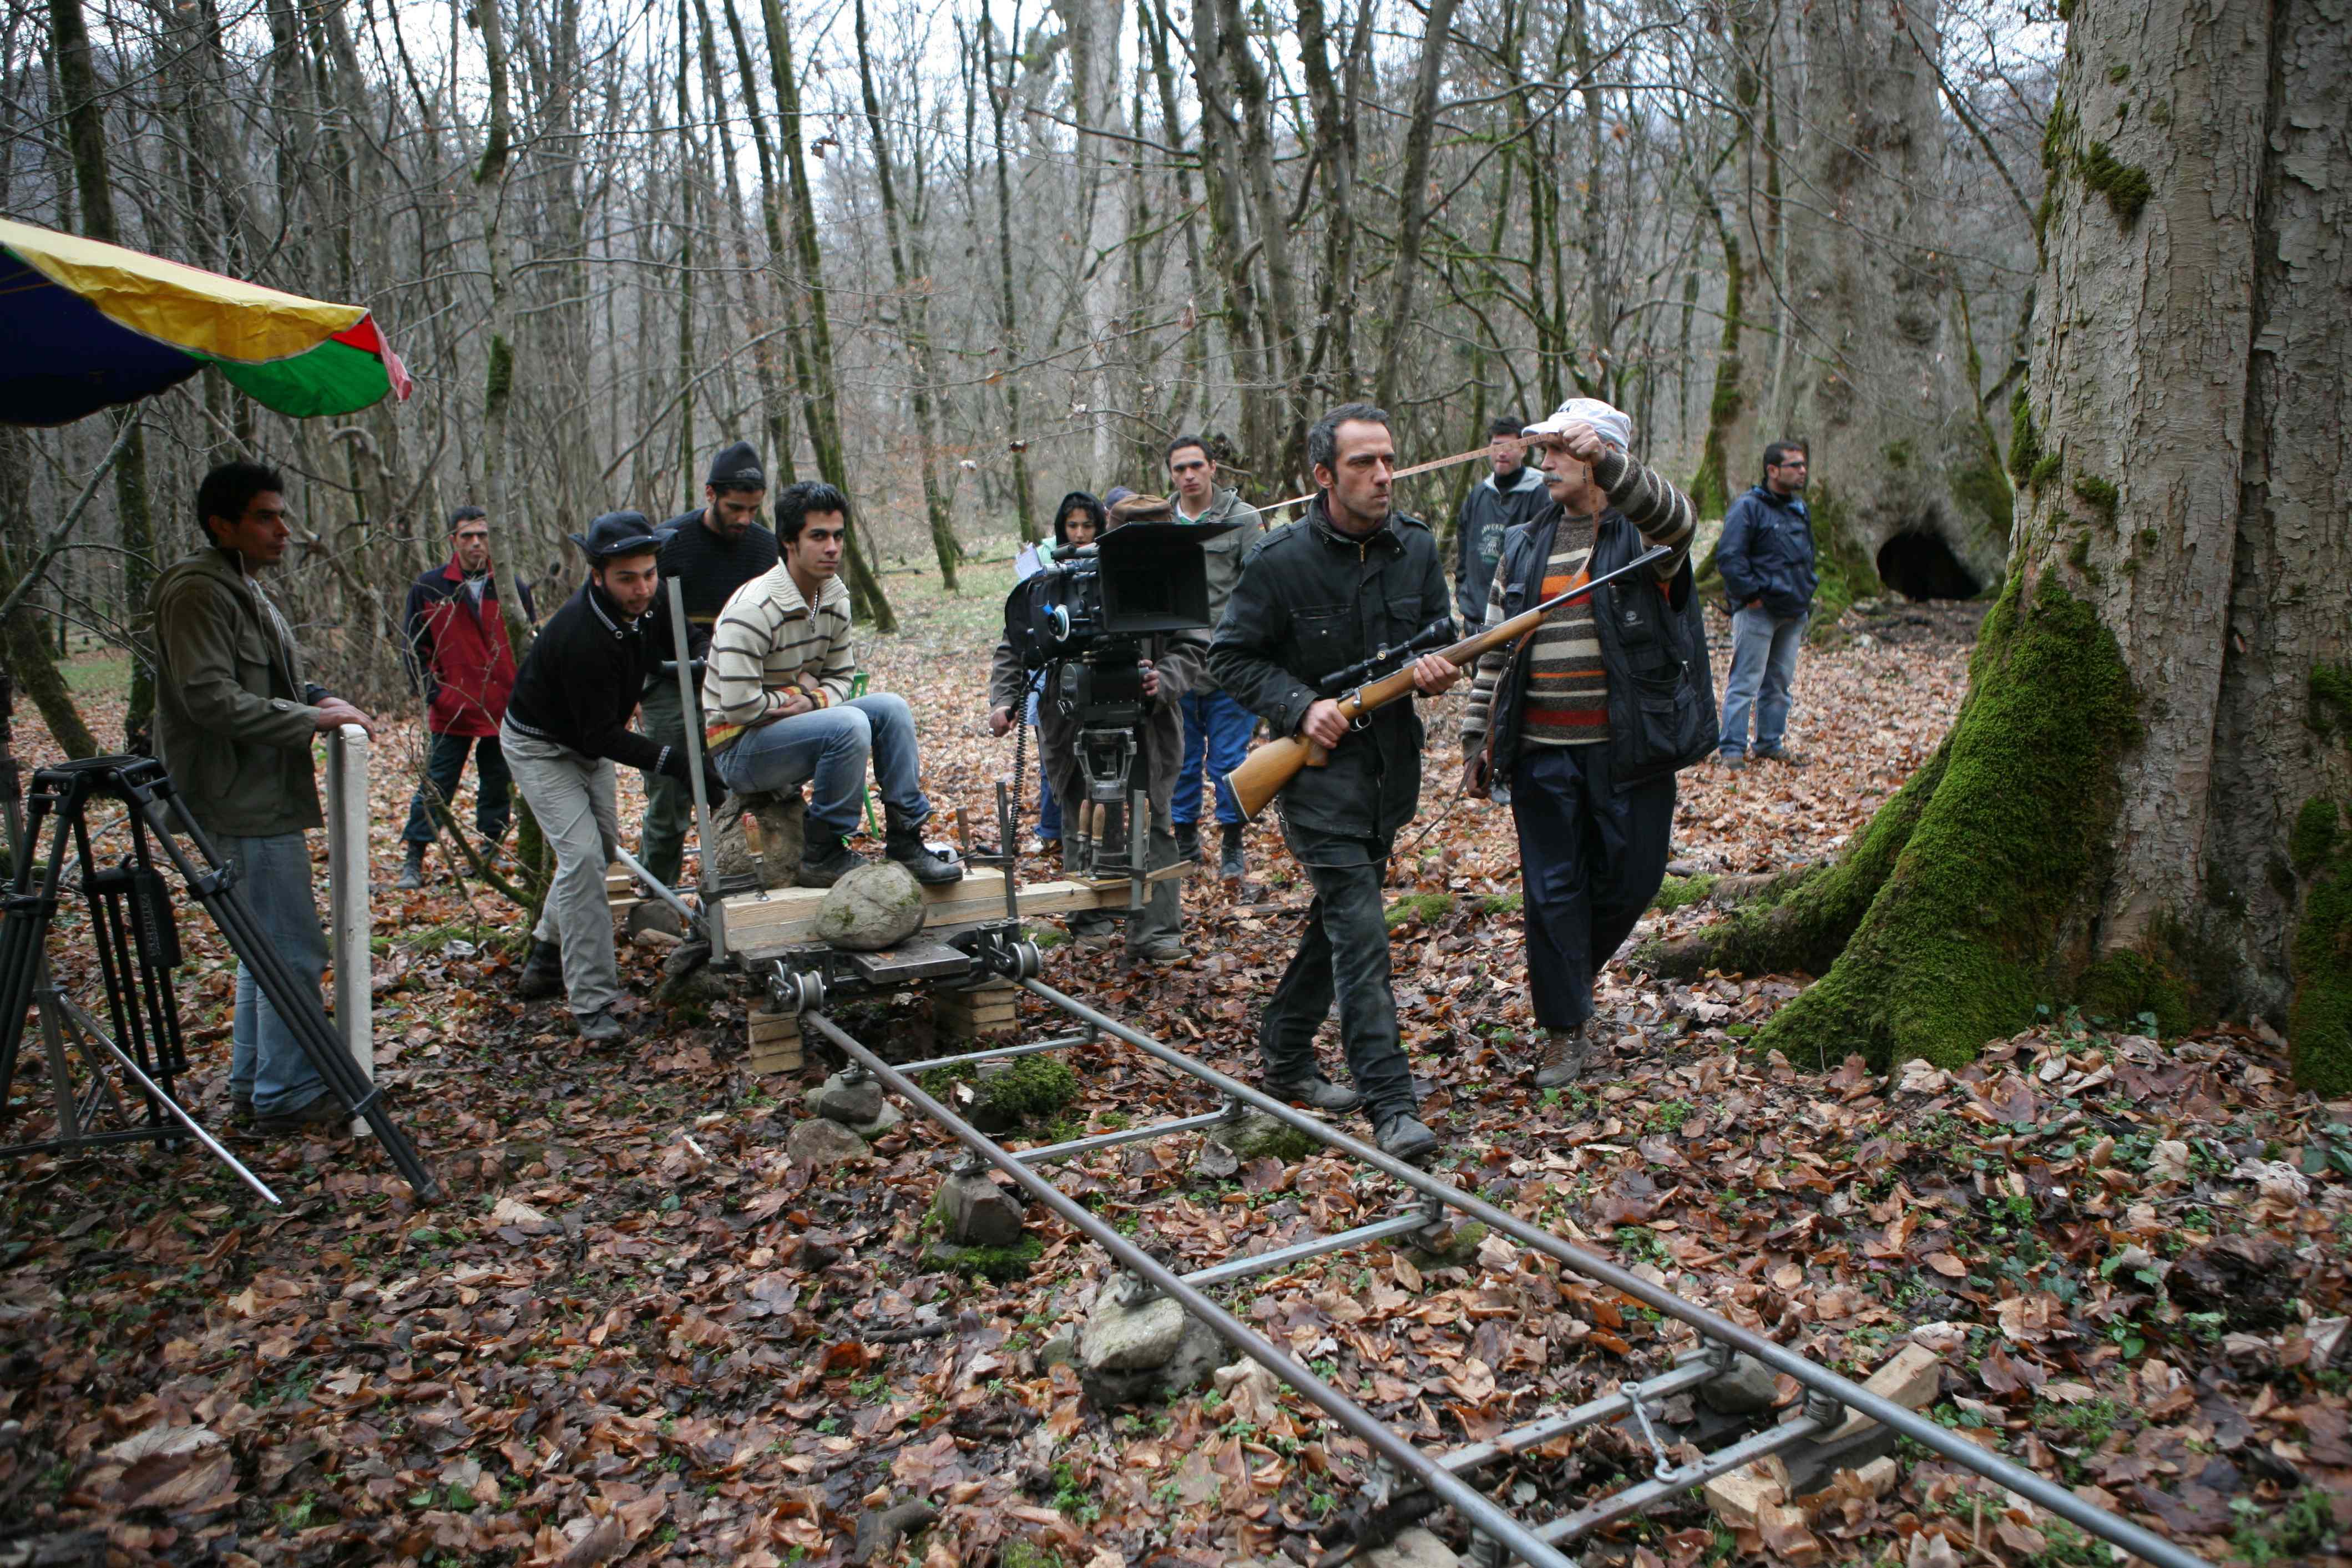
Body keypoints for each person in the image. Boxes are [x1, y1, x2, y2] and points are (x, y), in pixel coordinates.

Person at [1210, 404, 1460, 1161]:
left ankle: (1285, 1051)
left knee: (1339, 924)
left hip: (1389, 776)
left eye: (1388, 460)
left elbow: (1442, 636)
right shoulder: (1278, 559)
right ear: (1323, 475)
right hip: (1317, 780)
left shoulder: (1413, 547)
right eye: (1362, 463)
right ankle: (1391, 1104)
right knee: (1361, 935)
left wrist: (1436, 669)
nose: (1382, 475)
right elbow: (1231, 657)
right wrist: (1301, 704)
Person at [1458, 398, 1709, 1088]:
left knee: (1635, 878)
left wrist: (1605, 455)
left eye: (1562, 451)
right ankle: (1564, 1031)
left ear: (1602, 455)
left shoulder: (1647, 537)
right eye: (1543, 450)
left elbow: (1679, 518)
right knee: (1551, 890)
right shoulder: (1523, 540)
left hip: (1630, 750)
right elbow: (1493, 650)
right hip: (1540, 751)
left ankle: (1567, 973)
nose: (1546, 463)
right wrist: (1476, 737)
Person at [150, 461, 380, 1135]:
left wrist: (317, 699)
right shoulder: (198, 591)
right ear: (222, 524)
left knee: (265, 950)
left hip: (260, 793)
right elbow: (208, 698)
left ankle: (259, 1083)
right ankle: (290, 1094)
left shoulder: (241, 586)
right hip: (235, 799)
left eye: (282, 514)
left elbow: (263, 682)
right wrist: (310, 721)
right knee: (291, 951)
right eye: (265, 517)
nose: (284, 529)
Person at [502, 512, 723, 1041]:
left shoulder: (653, 601)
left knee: (598, 849)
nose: (641, 587)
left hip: (587, 742)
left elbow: (684, 636)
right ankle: (593, 1002)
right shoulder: (581, 635)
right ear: (597, 575)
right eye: (627, 578)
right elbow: (601, 736)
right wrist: (678, 764)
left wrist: (704, 658)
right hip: (540, 746)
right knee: (580, 859)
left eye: (648, 573)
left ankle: (545, 947)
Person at [703, 481, 963, 888]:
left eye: (838, 536)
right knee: (847, 725)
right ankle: (822, 852)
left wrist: (812, 698)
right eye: (818, 536)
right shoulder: (752, 610)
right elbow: (738, 706)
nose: (832, 548)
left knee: (890, 708)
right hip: (739, 749)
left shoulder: (834, 600)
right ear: (789, 542)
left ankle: (906, 838)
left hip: (790, 729)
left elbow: (842, 678)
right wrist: (801, 693)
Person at [989, 492, 1204, 963]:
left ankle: (1156, 933)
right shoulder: (1059, 582)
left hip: (1150, 723)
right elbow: (1016, 642)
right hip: (1072, 720)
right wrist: (1004, 699)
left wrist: (1161, 678)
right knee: (1082, 814)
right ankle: (1091, 920)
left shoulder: (1177, 584)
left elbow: (1194, 647)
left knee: (1156, 821)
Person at [638, 441, 780, 888]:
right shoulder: (668, 545)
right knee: (668, 796)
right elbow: (645, 616)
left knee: (754, 786)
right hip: (670, 681)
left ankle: (753, 881)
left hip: (741, 682)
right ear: (710, 495)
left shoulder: (764, 549)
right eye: (734, 508)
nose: (743, 519)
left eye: (753, 510)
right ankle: (657, 896)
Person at [396, 506, 533, 888]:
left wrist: (524, 697)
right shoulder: (429, 587)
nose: (476, 543)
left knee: (497, 784)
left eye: (483, 536)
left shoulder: (512, 587)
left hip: (503, 708)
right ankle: (415, 859)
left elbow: (529, 645)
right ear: (452, 540)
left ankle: (490, 853)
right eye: (467, 536)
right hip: (451, 709)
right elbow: (413, 649)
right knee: (437, 785)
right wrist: (434, 693)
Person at [1164, 434, 1264, 879]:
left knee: (1229, 761)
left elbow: (1259, 589)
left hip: (1229, 664)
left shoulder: (1242, 520)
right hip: (1175, 666)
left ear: (1212, 469)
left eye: (1195, 467)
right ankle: (1185, 840)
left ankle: (1232, 842)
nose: (1188, 475)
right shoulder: (1159, 522)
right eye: (1179, 469)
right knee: (1180, 760)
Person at [1011, 493, 1107, 849]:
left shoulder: (1112, 574)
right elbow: (1017, 642)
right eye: (1073, 525)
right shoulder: (1047, 580)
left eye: (1088, 525)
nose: (1080, 534)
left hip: (1112, 697)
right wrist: (1006, 700)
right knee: (1068, 786)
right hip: (1061, 704)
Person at [1715, 440, 1815, 768]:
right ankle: (1731, 750)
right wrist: (1752, 597)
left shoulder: (1799, 509)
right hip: (1759, 612)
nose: (1802, 471)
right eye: (1794, 465)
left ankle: (1769, 743)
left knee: (1779, 684)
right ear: (1773, 470)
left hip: (1793, 611)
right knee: (1745, 681)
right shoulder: (1748, 508)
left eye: (1803, 465)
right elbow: (1730, 558)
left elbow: (1806, 558)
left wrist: (1806, 593)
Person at [1452, 415, 1551, 627]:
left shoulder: (1541, 493)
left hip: (1518, 617)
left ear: (1524, 450)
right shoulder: (1478, 495)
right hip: (1476, 616)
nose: (1502, 452)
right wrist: (1464, 596)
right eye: (1497, 445)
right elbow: (1463, 553)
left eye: (1510, 446)